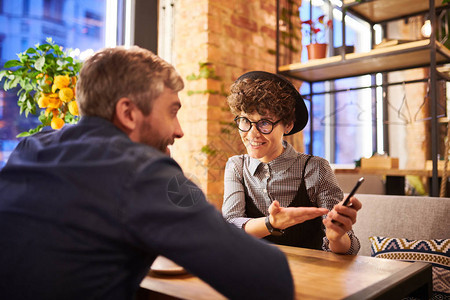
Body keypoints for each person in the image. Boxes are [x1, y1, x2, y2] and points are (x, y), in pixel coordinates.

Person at [0, 47, 294, 300]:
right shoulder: (143, 171)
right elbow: (271, 279)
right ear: (128, 113)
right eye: (171, 112)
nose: (178, 131)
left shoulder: (31, 148)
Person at [222, 71, 361, 255]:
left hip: (310, 275)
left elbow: (349, 249)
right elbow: (229, 227)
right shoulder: (237, 166)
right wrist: (270, 223)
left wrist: (337, 237)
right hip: (253, 270)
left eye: (264, 123)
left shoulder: (315, 168)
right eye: (245, 121)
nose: (252, 134)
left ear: (288, 125)